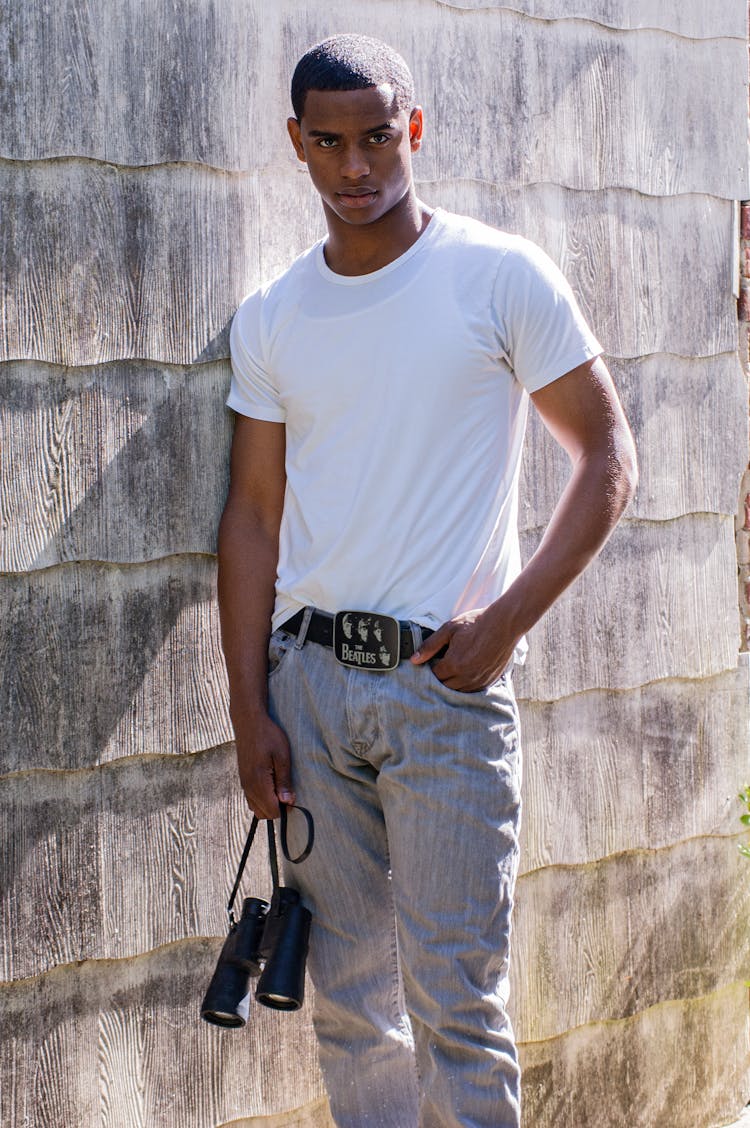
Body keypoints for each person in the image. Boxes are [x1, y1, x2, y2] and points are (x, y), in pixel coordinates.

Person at [218, 33, 637, 1128]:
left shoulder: (497, 276)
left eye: (375, 139)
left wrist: (504, 623)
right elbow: (253, 516)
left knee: (457, 1007)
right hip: (308, 692)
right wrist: (248, 704)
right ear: (297, 146)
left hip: (445, 690)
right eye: (329, 144)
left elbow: (608, 461)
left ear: (413, 130)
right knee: (352, 1010)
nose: (356, 168)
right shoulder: (273, 316)